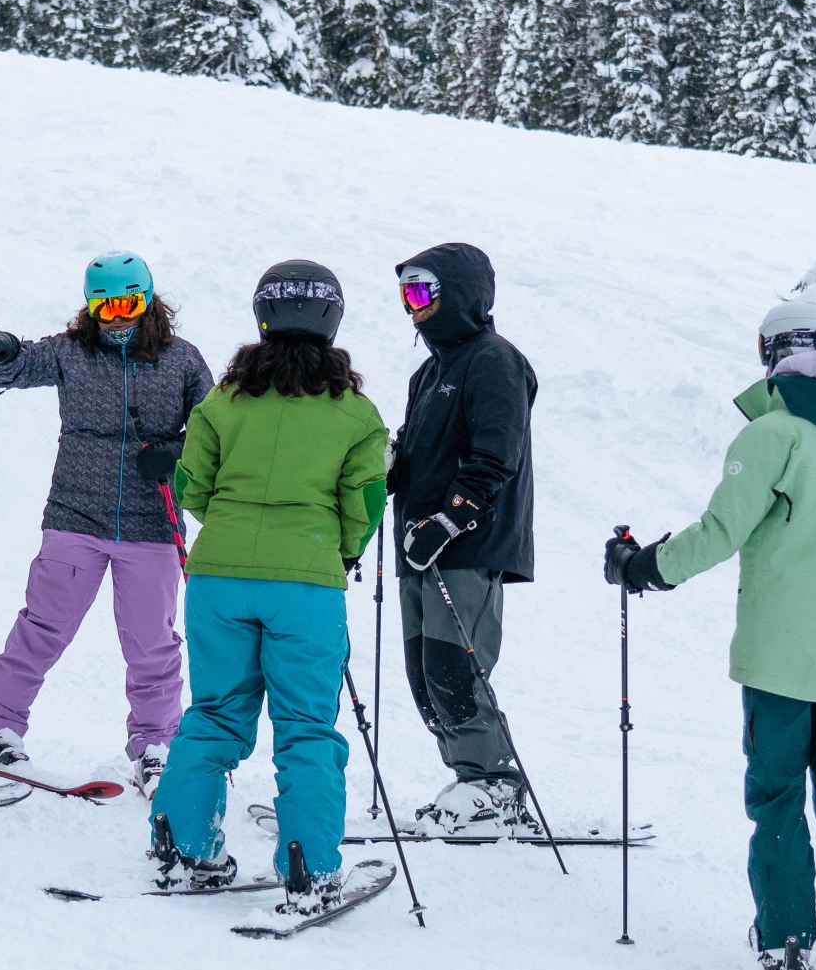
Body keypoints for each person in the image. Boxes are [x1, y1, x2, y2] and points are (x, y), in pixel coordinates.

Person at [608, 298, 816, 970]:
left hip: (778, 658)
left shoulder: (772, 434)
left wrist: (644, 566)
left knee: (776, 795)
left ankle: (788, 938)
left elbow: (721, 530)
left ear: (779, 353)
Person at [152, 261, 387, 919]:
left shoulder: (224, 400)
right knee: (306, 728)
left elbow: (190, 485)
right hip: (306, 582)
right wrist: (339, 549)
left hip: (218, 576)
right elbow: (364, 501)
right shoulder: (356, 412)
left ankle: (183, 845)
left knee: (215, 713)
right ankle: (308, 866)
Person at [0, 252, 214, 796]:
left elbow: (213, 428)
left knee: (152, 643)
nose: (117, 317)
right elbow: (19, 366)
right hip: (76, 515)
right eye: (105, 307)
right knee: (44, 625)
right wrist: (0, 355)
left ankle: (156, 743)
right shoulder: (71, 352)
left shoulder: (182, 361)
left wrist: (174, 451)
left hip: (153, 523)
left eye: (128, 303)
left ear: (148, 302)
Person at [384, 242, 539, 834]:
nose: (412, 307)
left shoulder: (494, 360)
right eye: (406, 294)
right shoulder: (429, 371)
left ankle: (495, 785)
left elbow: (497, 454)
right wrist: (393, 466)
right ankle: (471, 780)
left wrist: (451, 520)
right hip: (417, 544)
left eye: (423, 292)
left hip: (465, 546)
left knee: (454, 668)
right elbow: (421, 457)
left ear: (462, 294)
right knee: (424, 674)